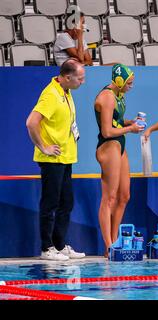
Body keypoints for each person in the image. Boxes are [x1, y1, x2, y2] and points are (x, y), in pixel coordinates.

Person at [25, 59, 86, 261]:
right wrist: (43, 146)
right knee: (50, 203)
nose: (82, 82)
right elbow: (31, 122)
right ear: (67, 77)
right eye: (80, 78)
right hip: (51, 160)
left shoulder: (65, 92)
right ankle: (46, 248)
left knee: (66, 203)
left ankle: (59, 245)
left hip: (66, 157)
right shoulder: (51, 94)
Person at [94, 64, 144, 257]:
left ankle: (115, 241)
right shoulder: (106, 97)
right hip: (108, 146)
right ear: (119, 81)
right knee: (109, 198)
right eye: (129, 83)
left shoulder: (118, 95)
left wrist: (129, 122)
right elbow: (106, 131)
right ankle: (108, 246)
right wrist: (130, 130)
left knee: (124, 196)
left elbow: (114, 121)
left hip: (119, 144)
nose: (131, 86)